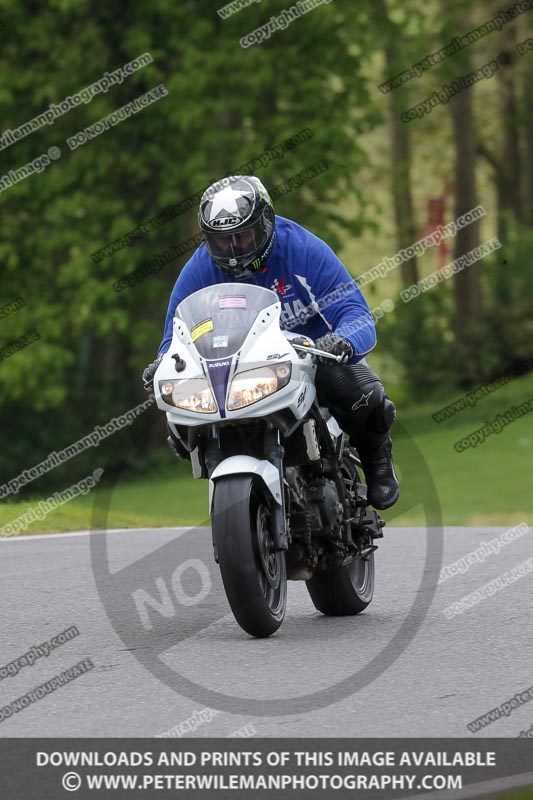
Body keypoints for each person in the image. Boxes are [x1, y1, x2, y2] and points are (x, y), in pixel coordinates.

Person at [142, 175, 399, 510]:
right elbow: (174, 336)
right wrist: (162, 363)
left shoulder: (302, 249)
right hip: (240, 365)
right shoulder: (199, 268)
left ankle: (377, 457)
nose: (233, 250)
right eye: (221, 242)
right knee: (179, 410)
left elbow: (356, 312)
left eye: (242, 236)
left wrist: (343, 342)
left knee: (359, 391)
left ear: (265, 224)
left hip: (312, 354)